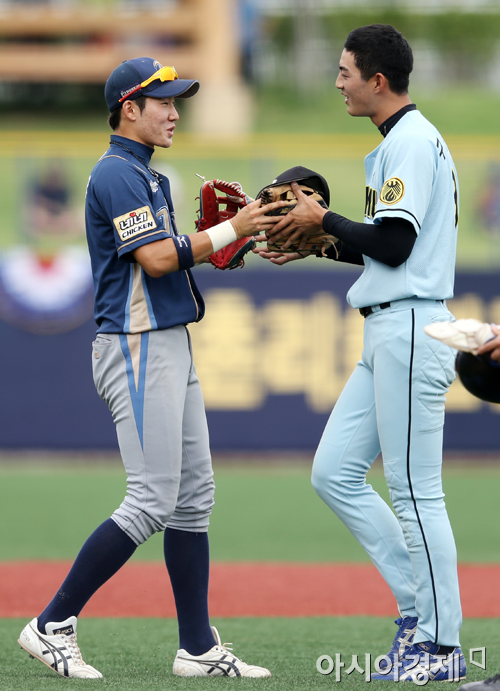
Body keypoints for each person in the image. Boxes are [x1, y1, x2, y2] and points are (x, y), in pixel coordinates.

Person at [17, 57, 284, 680]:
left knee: (193, 501)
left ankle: (196, 646)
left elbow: (170, 259)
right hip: (136, 345)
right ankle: (52, 623)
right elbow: (161, 260)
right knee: (151, 500)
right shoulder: (116, 173)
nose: (174, 110)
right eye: (161, 100)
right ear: (128, 109)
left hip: (167, 342)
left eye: (176, 100)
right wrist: (230, 228)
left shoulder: (149, 177)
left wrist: (236, 238)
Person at [257, 24, 464, 682]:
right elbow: (382, 242)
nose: (339, 80)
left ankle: (438, 644)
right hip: (389, 326)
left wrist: (323, 221)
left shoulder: (407, 140)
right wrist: (317, 242)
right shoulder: (398, 143)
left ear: (379, 80)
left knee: (414, 492)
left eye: (346, 70)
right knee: (335, 470)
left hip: (410, 327)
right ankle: (417, 612)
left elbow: (398, 247)